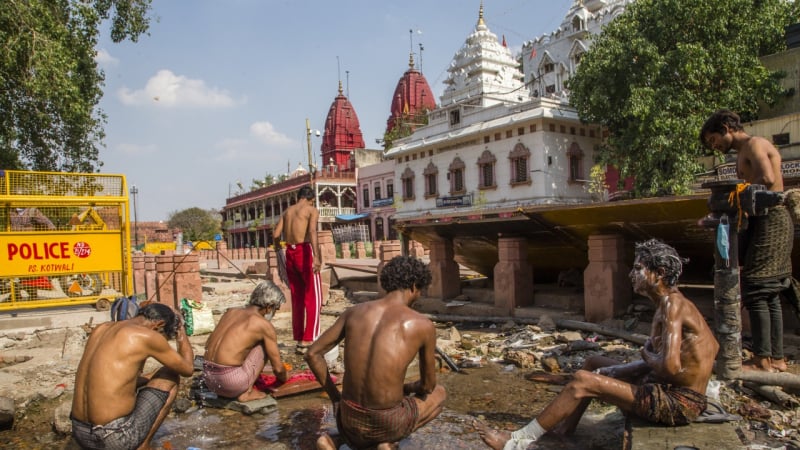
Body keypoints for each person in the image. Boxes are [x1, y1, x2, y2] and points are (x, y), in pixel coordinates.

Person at [474, 239, 720, 450]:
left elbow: (670, 367)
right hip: (675, 392)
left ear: (660, 273)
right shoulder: (672, 303)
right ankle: (564, 430)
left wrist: (645, 357)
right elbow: (713, 347)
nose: (631, 274)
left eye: (638, 268)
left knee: (584, 380)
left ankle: (517, 442)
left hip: (679, 404)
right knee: (593, 364)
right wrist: (623, 369)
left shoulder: (672, 305)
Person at [306, 255, 447, 450]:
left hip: (347, 417)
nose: (419, 296)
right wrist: (409, 387)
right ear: (414, 286)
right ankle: (388, 442)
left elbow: (312, 353)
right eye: (420, 291)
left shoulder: (353, 312)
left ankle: (333, 441)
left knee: (361, 421)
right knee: (440, 394)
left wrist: (335, 399)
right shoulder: (422, 324)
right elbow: (428, 386)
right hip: (386, 422)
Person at [700, 109, 792, 372]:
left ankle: (764, 358)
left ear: (727, 128)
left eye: (713, 139)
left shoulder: (755, 144)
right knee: (769, 291)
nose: (714, 145)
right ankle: (776, 359)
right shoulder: (742, 153)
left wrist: (736, 193)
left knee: (758, 288)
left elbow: (767, 179)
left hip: (772, 218)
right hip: (761, 220)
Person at [71, 303, 194, 450]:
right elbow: (187, 369)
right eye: (164, 336)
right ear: (159, 325)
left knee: (153, 375)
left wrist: (149, 378)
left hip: (80, 434)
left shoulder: (101, 329)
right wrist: (181, 331)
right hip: (112, 438)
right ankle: (143, 445)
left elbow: (111, 381)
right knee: (169, 374)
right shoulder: (146, 336)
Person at [203, 280, 288, 402]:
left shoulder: (230, 312)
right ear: (269, 307)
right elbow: (278, 369)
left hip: (209, 380)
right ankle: (246, 393)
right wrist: (285, 378)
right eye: (276, 309)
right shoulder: (263, 325)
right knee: (265, 344)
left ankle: (236, 387)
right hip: (230, 384)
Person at [273, 185, 323, 354]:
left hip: (290, 252)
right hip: (305, 251)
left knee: (298, 298)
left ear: (298, 197)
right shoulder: (311, 209)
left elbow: (275, 234)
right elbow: (312, 231)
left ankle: (300, 338)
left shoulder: (287, 212)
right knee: (313, 297)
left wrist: (277, 250)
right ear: (310, 198)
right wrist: (317, 257)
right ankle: (309, 339)